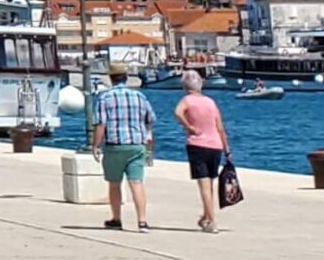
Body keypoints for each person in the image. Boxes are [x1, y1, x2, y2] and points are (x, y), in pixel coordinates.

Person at [89, 63, 157, 233]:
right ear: (126, 78)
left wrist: (95, 145)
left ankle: (116, 219)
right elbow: (150, 119)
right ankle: (142, 221)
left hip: (115, 146)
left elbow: (100, 125)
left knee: (114, 183)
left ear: (111, 79)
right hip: (136, 145)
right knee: (137, 183)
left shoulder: (104, 98)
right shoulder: (139, 97)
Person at [173, 70, 228, 234]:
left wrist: (188, 127)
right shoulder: (210, 102)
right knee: (209, 183)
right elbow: (220, 127)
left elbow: (177, 112)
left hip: (197, 144)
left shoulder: (186, 100)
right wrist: (227, 148)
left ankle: (211, 221)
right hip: (215, 145)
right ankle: (206, 216)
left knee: (204, 185)